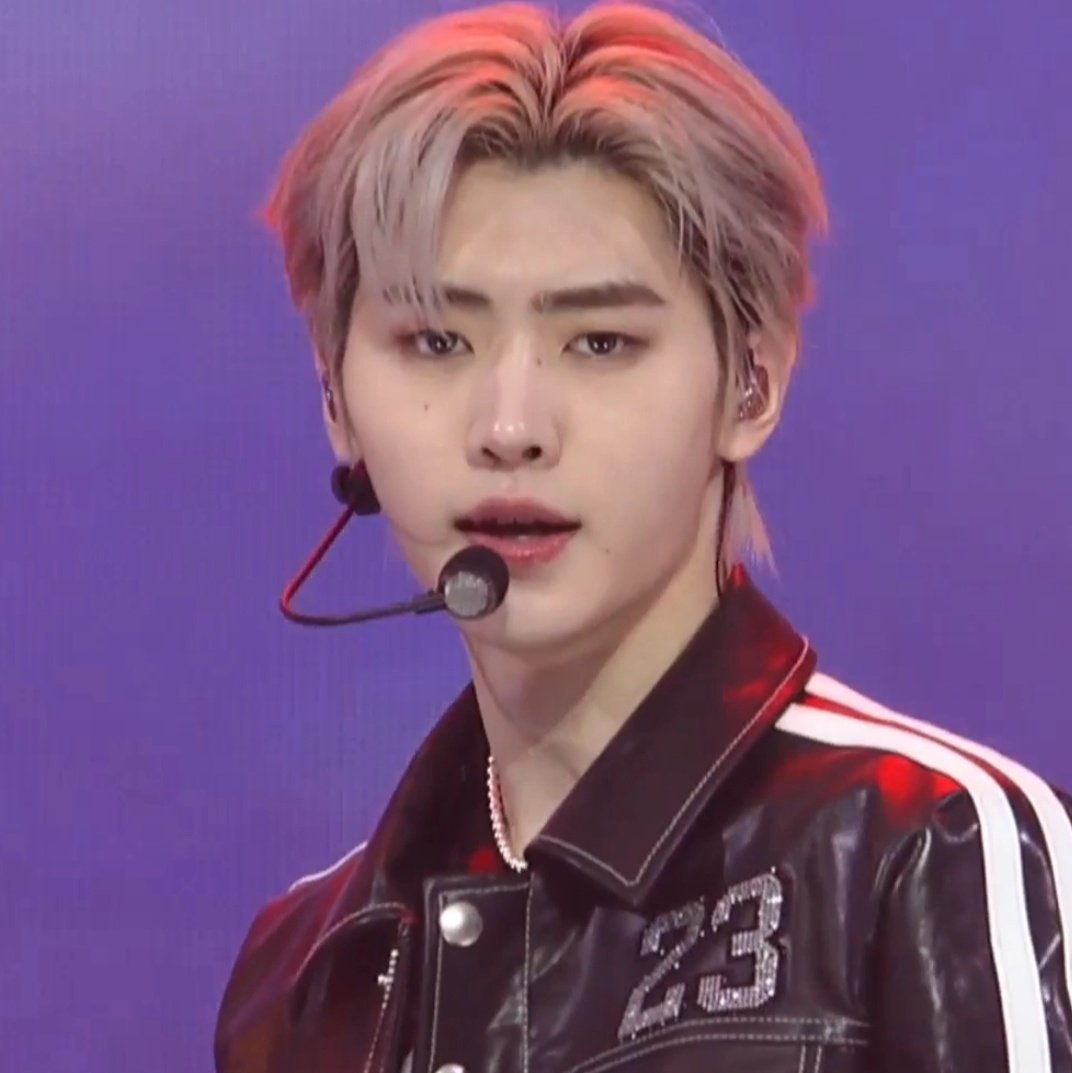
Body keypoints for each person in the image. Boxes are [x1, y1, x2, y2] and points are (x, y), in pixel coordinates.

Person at [213, 2, 1072, 1070]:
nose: (510, 427)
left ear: (751, 383)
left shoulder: (930, 847)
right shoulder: (308, 966)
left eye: (600, 341)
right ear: (336, 398)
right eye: (435, 340)